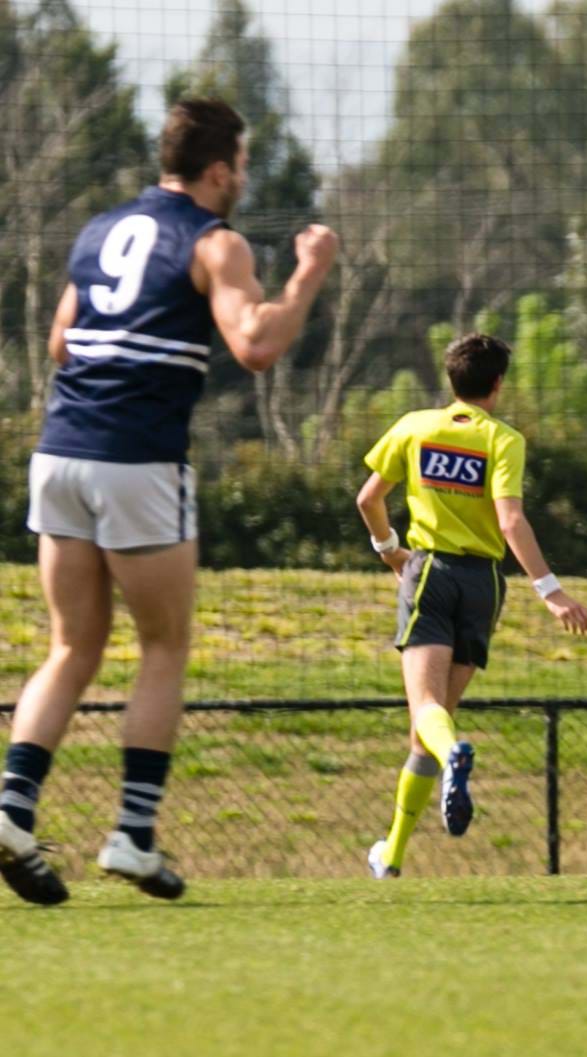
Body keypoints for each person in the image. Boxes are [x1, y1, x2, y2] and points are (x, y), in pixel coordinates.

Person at [2, 99, 338, 905]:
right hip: (137, 460)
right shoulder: (215, 242)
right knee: (163, 645)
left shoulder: (99, 230)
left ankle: (10, 811)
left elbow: (60, 341)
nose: (244, 179)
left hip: (60, 452)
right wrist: (310, 272)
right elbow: (256, 343)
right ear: (219, 169)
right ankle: (133, 833)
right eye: (242, 165)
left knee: (72, 646)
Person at [356, 332, 587, 878]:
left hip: (430, 574)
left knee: (427, 714)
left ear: (452, 378)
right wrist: (550, 591)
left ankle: (454, 757)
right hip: (483, 583)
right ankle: (391, 856)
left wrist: (389, 550)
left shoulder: (415, 427)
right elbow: (511, 520)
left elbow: (368, 499)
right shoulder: (503, 440)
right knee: (428, 727)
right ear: (498, 384)